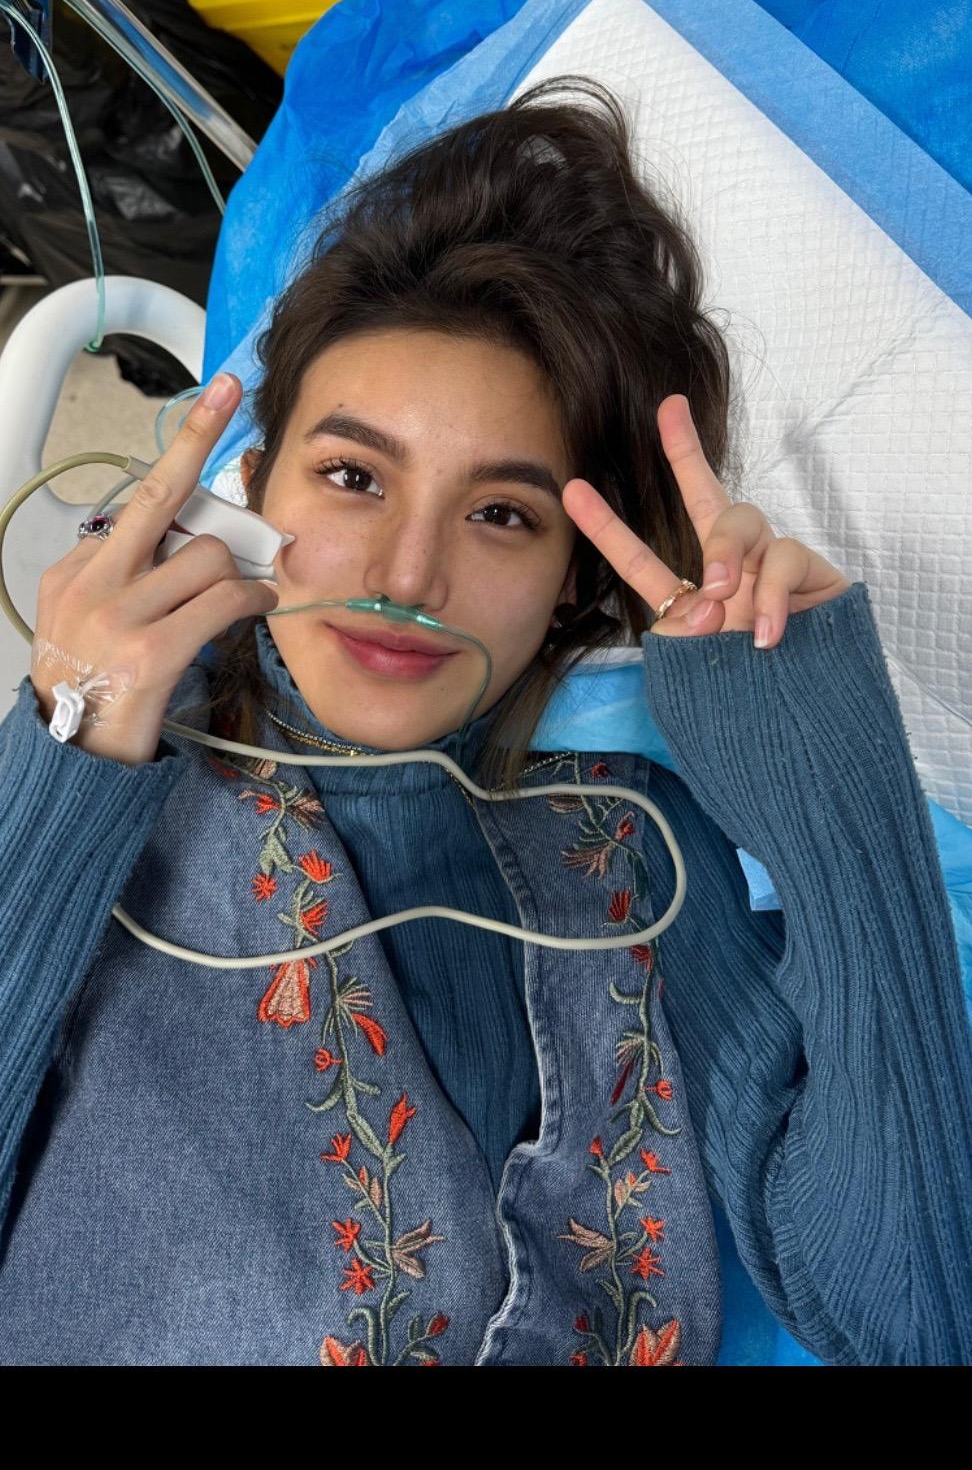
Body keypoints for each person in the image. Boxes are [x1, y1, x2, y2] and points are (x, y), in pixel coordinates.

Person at [1, 83, 969, 1367]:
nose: (408, 576)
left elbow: (911, 1318)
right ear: (254, 488)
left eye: (502, 514)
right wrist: (62, 744)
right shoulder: (91, 803)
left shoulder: (637, 849)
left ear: (572, 577)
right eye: (353, 476)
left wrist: (834, 791)